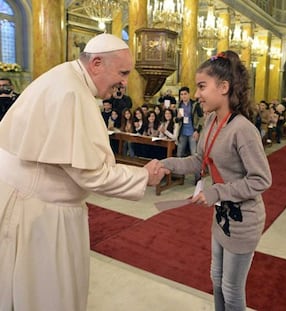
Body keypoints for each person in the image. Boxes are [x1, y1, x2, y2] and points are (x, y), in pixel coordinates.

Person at [0, 33, 168, 311]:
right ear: (97, 64)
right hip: (40, 214)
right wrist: (143, 176)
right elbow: (92, 174)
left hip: (31, 201)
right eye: (123, 72)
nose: (125, 82)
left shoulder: (64, 78)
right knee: (46, 295)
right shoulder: (72, 93)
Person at [161, 51, 272, 311]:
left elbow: (261, 180)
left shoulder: (243, 129)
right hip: (223, 216)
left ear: (224, 87)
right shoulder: (211, 120)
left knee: (232, 291)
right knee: (217, 279)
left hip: (243, 219)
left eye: (202, 87)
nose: (197, 94)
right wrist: (166, 164)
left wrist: (216, 192)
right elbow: (199, 161)